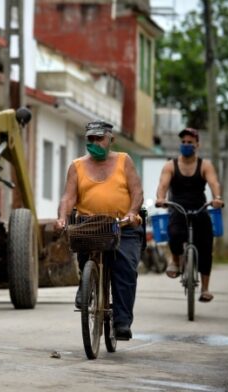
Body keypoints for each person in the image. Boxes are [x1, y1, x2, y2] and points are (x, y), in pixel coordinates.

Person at [56, 120, 144, 341]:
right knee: (82, 246)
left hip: (122, 225)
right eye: (91, 139)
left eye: (99, 138)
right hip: (90, 224)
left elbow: (137, 192)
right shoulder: (77, 166)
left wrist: (132, 212)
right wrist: (62, 218)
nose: (94, 143)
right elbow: (68, 197)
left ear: (110, 140)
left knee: (125, 268)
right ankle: (86, 285)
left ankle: (122, 321)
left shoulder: (124, 161)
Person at [155, 127, 224, 302]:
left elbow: (214, 182)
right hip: (178, 208)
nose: (186, 145)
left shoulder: (204, 165)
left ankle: (205, 288)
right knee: (175, 232)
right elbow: (163, 185)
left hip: (199, 208)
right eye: (183, 142)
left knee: (206, 245)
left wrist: (217, 198)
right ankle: (176, 261)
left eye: (190, 143)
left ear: (197, 145)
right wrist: (161, 198)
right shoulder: (171, 165)